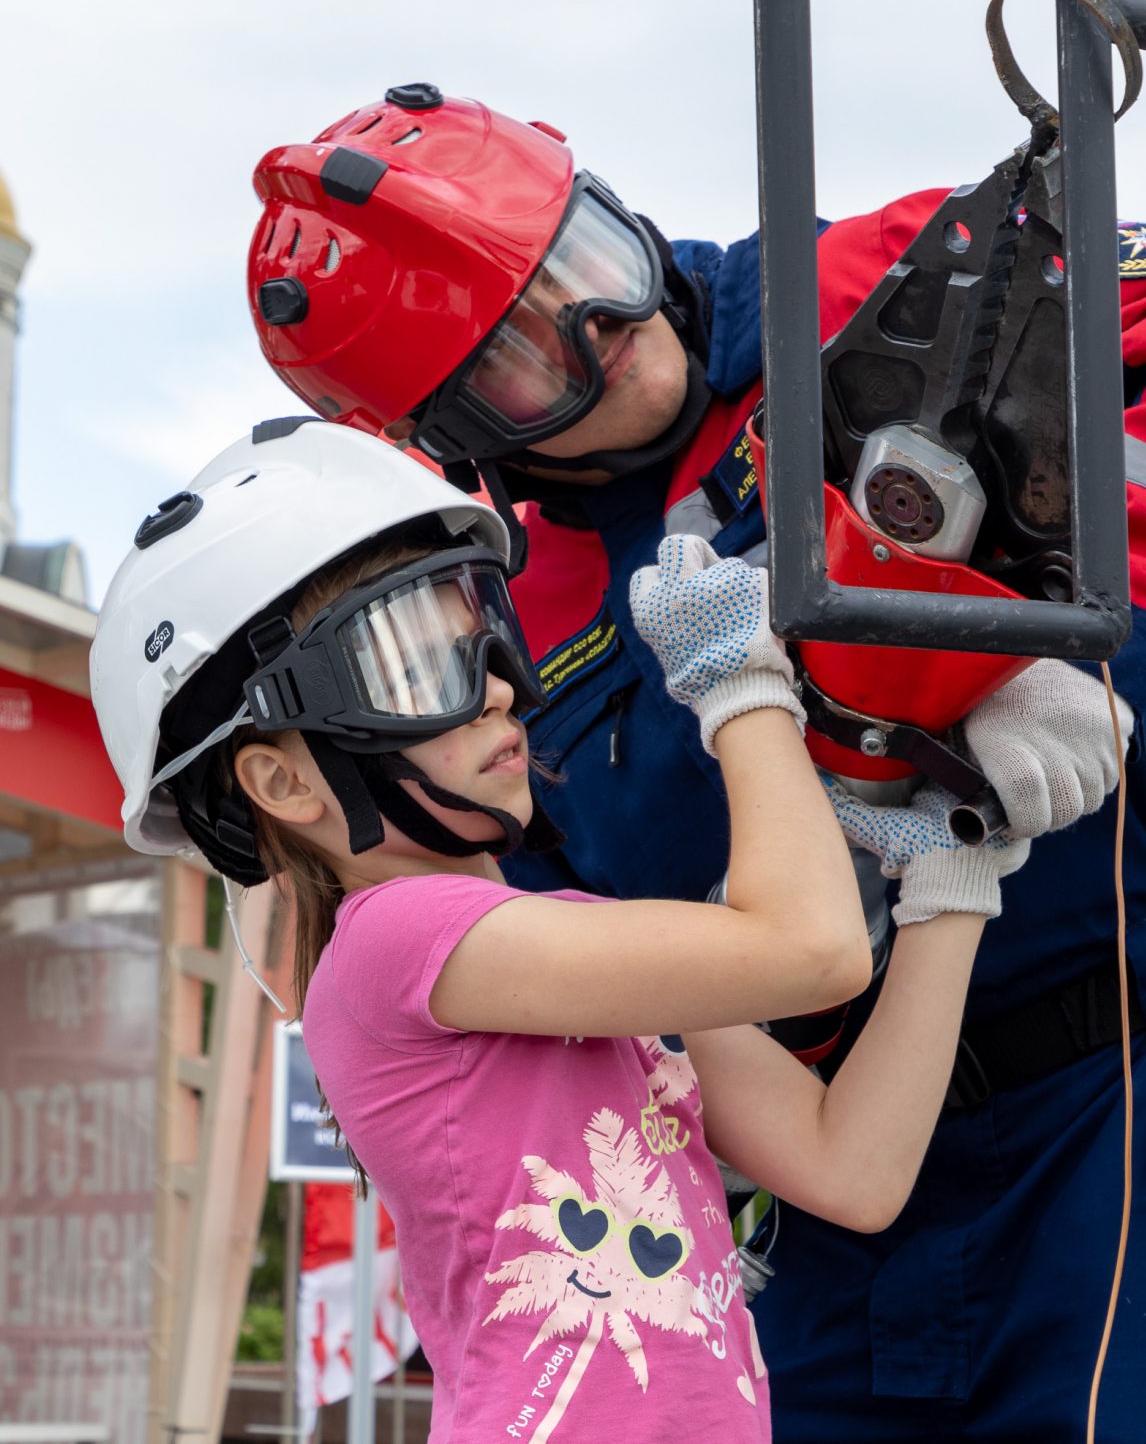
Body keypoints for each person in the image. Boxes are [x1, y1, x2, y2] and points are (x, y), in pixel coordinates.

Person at [242, 89, 1146, 1440]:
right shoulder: (513, 627)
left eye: (587, 268)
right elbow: (587, 952)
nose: (608, 335)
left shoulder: (875, 282)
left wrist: (1104, 658)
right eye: (526, 357)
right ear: (456, 435)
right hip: (856, 1176)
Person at [93, 419, 1049, 1442]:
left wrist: (955, 870)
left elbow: (851, 1171)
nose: (499, 687)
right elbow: (810, 949)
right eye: (413, 667)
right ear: (280, 782)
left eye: (478, 630)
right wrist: (738, 684)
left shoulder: (571, 956)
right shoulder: (394, 941)